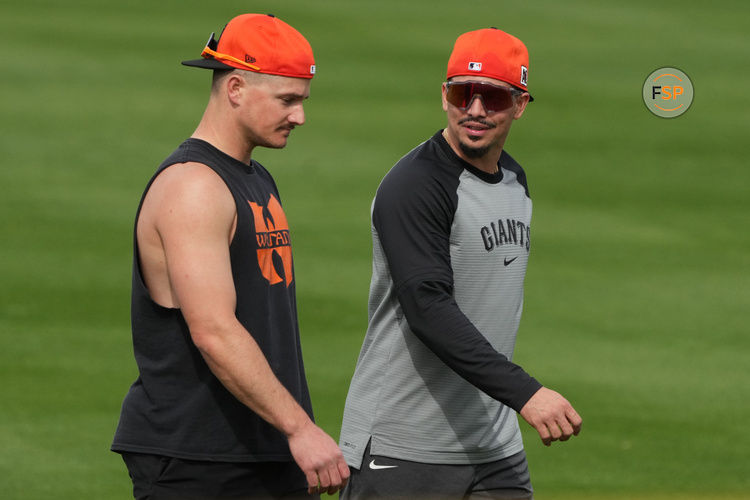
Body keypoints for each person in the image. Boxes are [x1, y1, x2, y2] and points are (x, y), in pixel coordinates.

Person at [111, 14, 349, 499]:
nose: (300, 117)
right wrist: (300, 429)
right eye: (287, 100)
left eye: (302, 101)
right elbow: (214, 331)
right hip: (200, 459)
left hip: (260, 447)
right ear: (235, 87)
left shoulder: (254, 177)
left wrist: (290, 433)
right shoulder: (194, 187)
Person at [338, 27, 582, 499]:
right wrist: (525, 393)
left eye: (491, 97)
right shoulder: (414, 186)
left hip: (494, 447)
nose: (474, 110)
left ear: (520, 104)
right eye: (461, 93)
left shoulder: (514, 179)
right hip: (403, 448)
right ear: (443, 96)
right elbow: (427, 306)